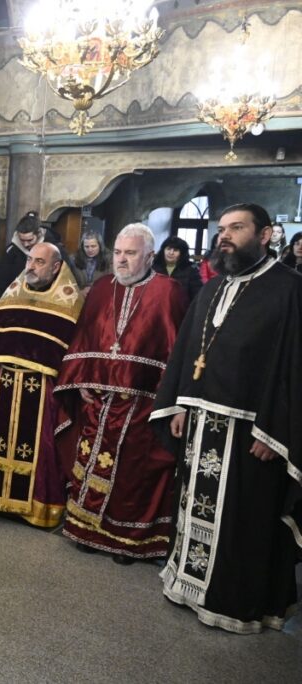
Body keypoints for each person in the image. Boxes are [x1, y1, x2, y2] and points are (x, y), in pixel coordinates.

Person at [150, 203, 302, 634]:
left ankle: (232, 601)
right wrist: (179, 402)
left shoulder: (290, 289)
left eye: (237, 228)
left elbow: (295, 366)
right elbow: (187, 352)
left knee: (243, 518)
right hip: (200, 422)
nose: (225, 236)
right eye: (222, 229)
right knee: (191, 505)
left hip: (251, 431)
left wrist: (277, 432)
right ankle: (188, 583)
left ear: (266, 234)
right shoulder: (214, 287)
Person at [55, 224, 188, 562]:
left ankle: (125, 539)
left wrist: (168, 399)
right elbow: (84, 338)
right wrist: (83, 377)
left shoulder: (168, 291)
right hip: (98, 398)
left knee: (132, 471)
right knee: (89, 460)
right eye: (118, 252)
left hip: (141, 401)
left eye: (130, 253)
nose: (122, 260)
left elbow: (176, 351)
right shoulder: (101, 288)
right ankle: (87, 529)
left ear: (149, 255)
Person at [0, 242, 85, 527]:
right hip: (5, 382)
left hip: (43, 389)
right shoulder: (15, 291)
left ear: (56, 266)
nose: (31, 267)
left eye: (39, 261)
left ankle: (38, 506)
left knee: (41, 447)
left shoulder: (69, 302)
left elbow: (76, 350)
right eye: (30, 261)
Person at [0, 211, 42, 293]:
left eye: (30, 240)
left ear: (39, 234)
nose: (25, 244)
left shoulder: (52, 249)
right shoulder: (10, 252)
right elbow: (1, 282)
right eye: (22, 240)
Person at [152, 235, 203, 301]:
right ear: (163, 250)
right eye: (168, 249)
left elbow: (197, 296)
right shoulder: (154, 268)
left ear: (182, 253)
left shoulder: (191, 270)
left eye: (175, 250)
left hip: (182, 309)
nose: (171, 253)